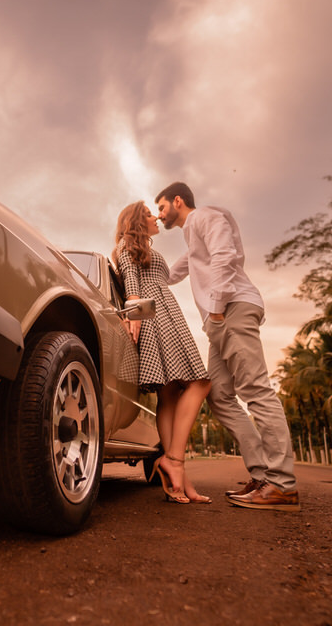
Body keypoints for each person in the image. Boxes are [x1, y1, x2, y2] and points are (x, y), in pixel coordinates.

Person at [154, 182, 300, 511]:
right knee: (219, 396)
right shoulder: (192, 239)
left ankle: (282, 485)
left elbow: (225, 256)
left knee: (256, 390)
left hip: (231, 309)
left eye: (162, 207)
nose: (159, 214)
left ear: (178, 201)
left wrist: (217, 308)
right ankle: (263, 475)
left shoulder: (205, 217)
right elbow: (170, 274)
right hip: (219, 321)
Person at [113, 201, 212, 504]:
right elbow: (131, 281)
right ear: (136, 220)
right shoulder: (127, 244)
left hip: (166, 312)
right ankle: (174, 462)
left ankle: (178, 477)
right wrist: (134, 313)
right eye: (149, 213)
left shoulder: (143, 246)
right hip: (155, 315)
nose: (155, 217)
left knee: (168, 395)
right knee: (201, 382)